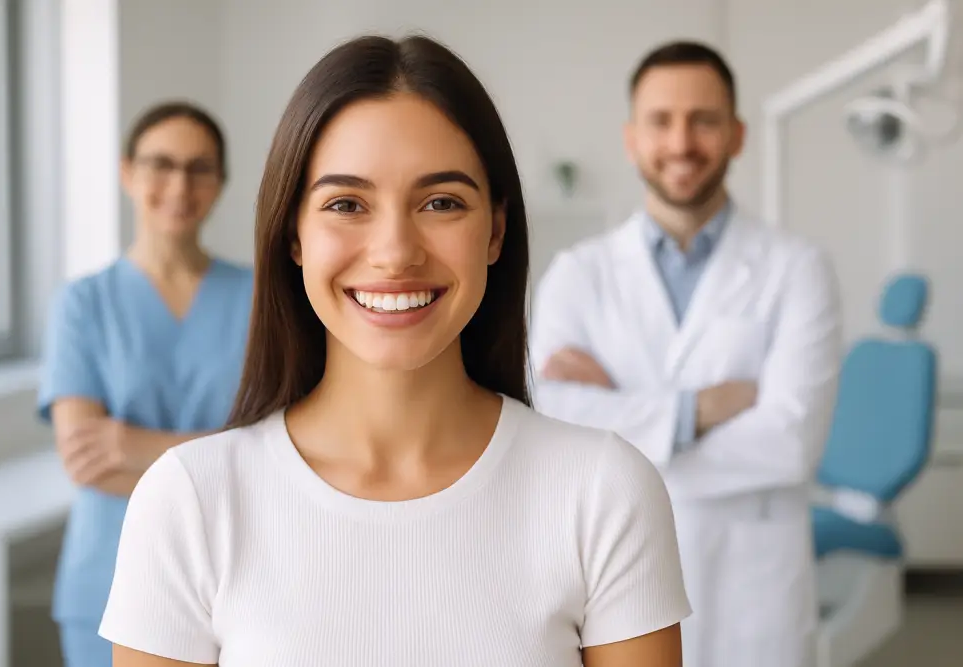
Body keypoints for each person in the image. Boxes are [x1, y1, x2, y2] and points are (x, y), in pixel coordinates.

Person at [96, 35, 692, 667]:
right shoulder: (189, 501)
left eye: (441, 202)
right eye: (346, 204)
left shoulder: (602, 491)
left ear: (494, 229)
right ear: (293, 233)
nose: (395, 251)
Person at [529, 41, 843, 667]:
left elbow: (790, 441)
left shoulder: (798, 269)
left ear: (737, 135)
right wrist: (694, 412)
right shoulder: (577, 273)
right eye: (661, 121)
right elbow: (548, 424)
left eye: (704, 120)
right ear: (630, 138)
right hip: (611, 579)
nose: (682, 142)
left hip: (752, 592)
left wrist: (611, 420)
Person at [37, 101, 253, 667]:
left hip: (237, 578)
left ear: (220, 182)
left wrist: (134, 445)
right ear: (127, 172)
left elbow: (283, 449)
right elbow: (87, 461)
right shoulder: (83, 304)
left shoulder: (262, 300)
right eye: (161, 164)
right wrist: (229, 449)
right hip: (106, 580)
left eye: (199, 167)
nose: (180, 185)